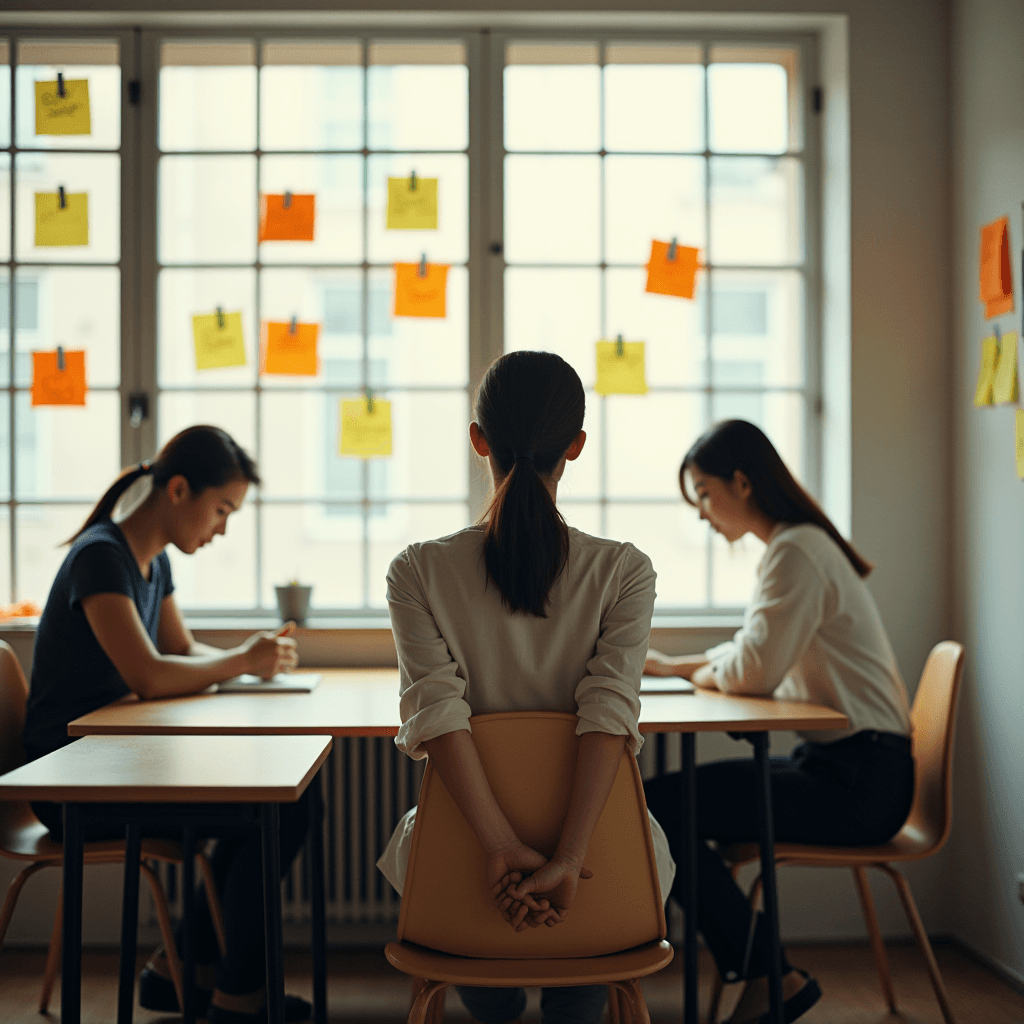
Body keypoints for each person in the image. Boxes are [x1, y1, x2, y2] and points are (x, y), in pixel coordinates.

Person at [377, 351, 674, 1024]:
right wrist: (567, 856)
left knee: (468, 933)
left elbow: (439, 714)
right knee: (598, 939)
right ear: (576, 446)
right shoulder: (626, 571)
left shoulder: (416, 572)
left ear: (478, 438)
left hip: (464, 869)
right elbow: (607, 715)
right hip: (601, 864)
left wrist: (500, 849)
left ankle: (494, 1002)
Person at [22, 425, 311, 1024]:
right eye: (222, 509)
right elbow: (150, 675)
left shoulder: (150, 565)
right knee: (277, 811)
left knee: (275, 807)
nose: (224, 527)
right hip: (69, 784)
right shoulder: (101, 557)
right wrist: (242, 661)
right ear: (178, 490)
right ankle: (234, 994)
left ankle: (180, 975)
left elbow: (181, 649)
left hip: (111, 766)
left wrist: (252, 662)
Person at [643, 419, 913, 1024]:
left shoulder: (796, 551)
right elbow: (752, 650)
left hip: (861, 784)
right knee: (656, 807)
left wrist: (690, 671)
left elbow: (753, 672)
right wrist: (680, 665)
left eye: (705, 494)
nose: (703, 514)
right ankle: (768, 971)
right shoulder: (799, 546)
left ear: (741, 483)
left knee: (652, 811)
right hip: (851, 766)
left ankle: (771, 974)